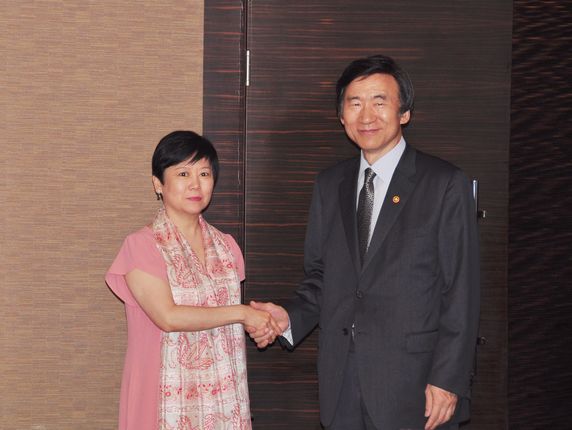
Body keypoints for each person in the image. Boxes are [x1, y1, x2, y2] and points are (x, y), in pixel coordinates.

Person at [249, 55, 480, 430]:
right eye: (354, 104)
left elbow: (461, 292)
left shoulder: (444, 184)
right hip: (342, 381)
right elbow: (321, 277)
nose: (366, 115)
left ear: (403, 112)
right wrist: (288, 317)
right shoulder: (330, 185)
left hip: (416, 384)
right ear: (342, 117)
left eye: (379, 101)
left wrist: (448, 379)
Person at [106, 131, 281, 430]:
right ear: (158, 183)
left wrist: (261, 323)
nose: (195, 184)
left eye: (204, 173)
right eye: (183, 173)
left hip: (224, 393)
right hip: (162, 395)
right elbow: (168, 317)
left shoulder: (227, 246)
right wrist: (243, 313)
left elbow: (224, 320)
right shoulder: (141, 245)